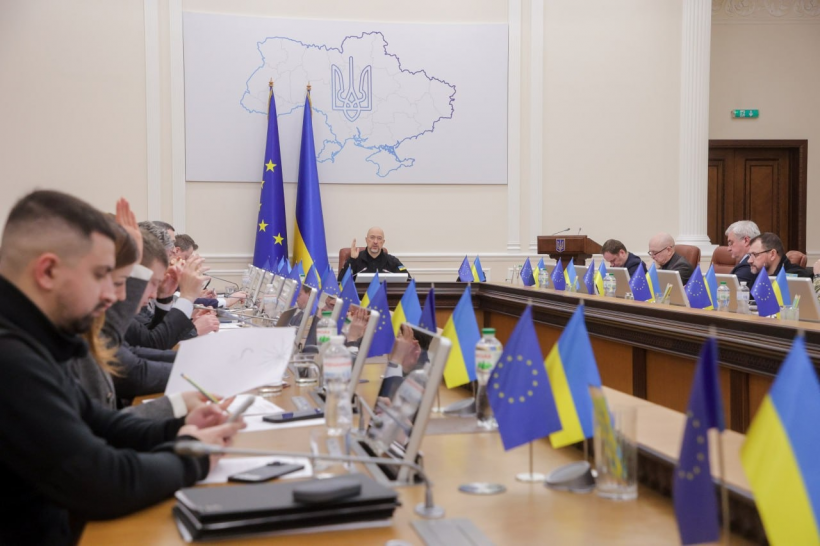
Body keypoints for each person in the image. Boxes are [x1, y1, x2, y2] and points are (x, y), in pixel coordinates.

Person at [0, 190, 244, 544]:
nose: (114, 295)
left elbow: (102, 424)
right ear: (48, 271)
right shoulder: (12, 361)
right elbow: (103, 481)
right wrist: (194, 456)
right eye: (102, 275)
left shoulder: (34, 340)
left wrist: (180, 428)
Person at [337, 226, 409, 281]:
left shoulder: (392, 261)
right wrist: (352, 260)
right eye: (372, 237)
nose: (375, 241)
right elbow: (340, 281)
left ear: (383, 242)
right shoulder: (355, 259)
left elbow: (408, 280)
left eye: (379, 238)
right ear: (366, 240)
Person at [748, 232, 812, 279]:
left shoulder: (795, 277)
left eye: (755, 255)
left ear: (772, 254)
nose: (749, 260)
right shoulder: (755, 274)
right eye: (750, 255)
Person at [725, 220, 760, 286]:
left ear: (746, 241)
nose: (728, 249)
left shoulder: (749, 265)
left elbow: (729, 289)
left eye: (731, 243)